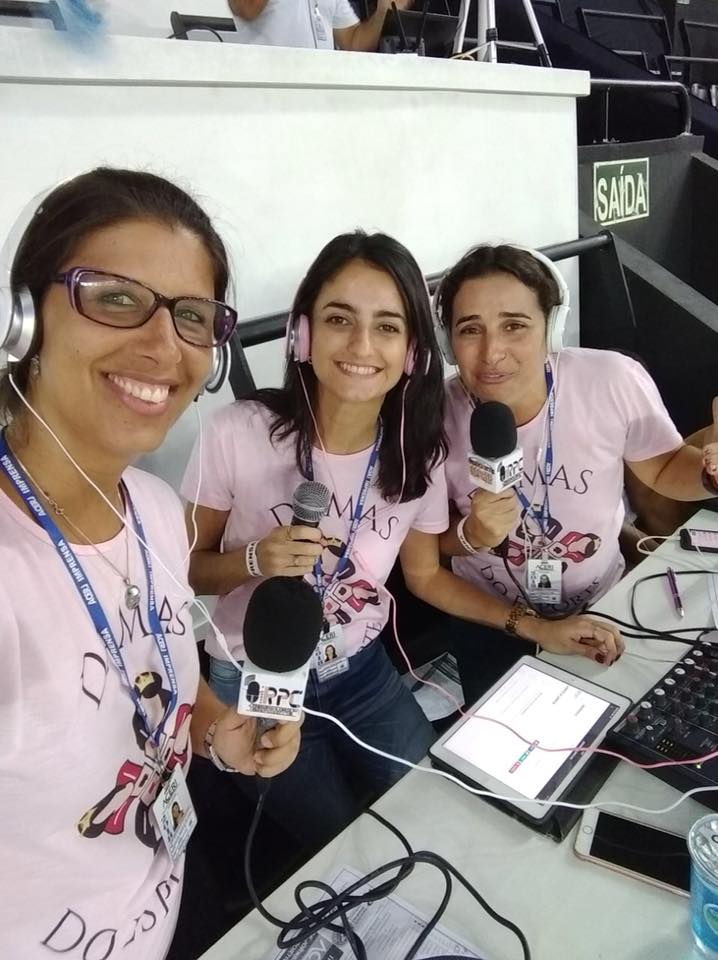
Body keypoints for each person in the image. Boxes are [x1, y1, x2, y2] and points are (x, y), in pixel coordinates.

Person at [0, 168, 301, 960]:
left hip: (173, 898)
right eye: (116, 298)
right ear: (22, 321)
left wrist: (215, 728)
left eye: (193, 316)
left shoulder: (156, 510)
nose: (164, 345)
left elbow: (155, 669)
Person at [182, 230, 448, 850]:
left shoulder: (416, 456)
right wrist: (254, 558)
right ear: (301, 335)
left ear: (411, 351)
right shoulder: (238, 432)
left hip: (362, 672)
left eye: (387, 326)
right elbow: (182, 569)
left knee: (433, 814)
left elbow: (429, 574)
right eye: (338, 319)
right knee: (340, 847)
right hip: (254, 679)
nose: (360, 345)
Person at [434, 243, 718, 703]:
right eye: (470, 330)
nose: (492, 352)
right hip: (490, 619)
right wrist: (471, 535)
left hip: (604, 607)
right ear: (449, 342)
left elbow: (665, 467)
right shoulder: (434, 416)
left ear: (552, 327)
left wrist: (708, 476)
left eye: (515, 325)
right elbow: (429, 551)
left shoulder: (611, 380)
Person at [228, 0, 413, 52]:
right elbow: (245, 8)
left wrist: (381, 13)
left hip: (318, 91)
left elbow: (353, 41)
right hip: (268, 91)